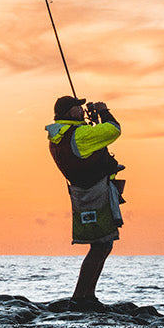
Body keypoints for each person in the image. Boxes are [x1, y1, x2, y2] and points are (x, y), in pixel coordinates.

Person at [45, 95, 125, 304]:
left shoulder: (58, 135)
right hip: (95, 192)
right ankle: (83, 296)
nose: (81, 110)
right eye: (77, 107)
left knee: (101, 245)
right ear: (69, 112)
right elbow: (113, 130)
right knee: (101, 245)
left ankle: (85, 296)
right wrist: (103, 111)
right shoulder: (79, 134)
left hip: (82, 193)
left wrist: (92, 120)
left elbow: (94, 144)